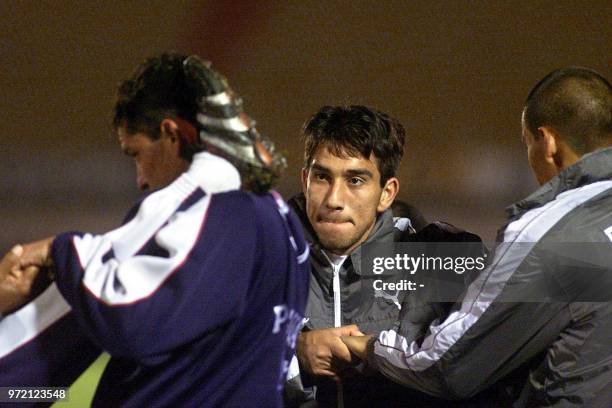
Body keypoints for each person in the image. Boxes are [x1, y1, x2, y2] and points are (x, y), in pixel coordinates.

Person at [0, 52, 310, 408]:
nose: (141, 180)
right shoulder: (283, 224)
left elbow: (126, 318)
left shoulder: (205, 211)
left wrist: (61, 251)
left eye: (137, 154)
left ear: (172, 133)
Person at [342, 67, 612, 407]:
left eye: (528, 145)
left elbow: (449, 367)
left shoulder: (552, 238)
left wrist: (368, 348)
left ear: (548, 142)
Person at [286, 105, 481, 407]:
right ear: (304, 180)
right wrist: (293, 351)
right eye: (322, 177)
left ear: (386, 193)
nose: (334, 199)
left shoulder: (439, 266)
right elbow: (210, 360)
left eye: (355, 181)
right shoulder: (259, 262)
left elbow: (473, 372)